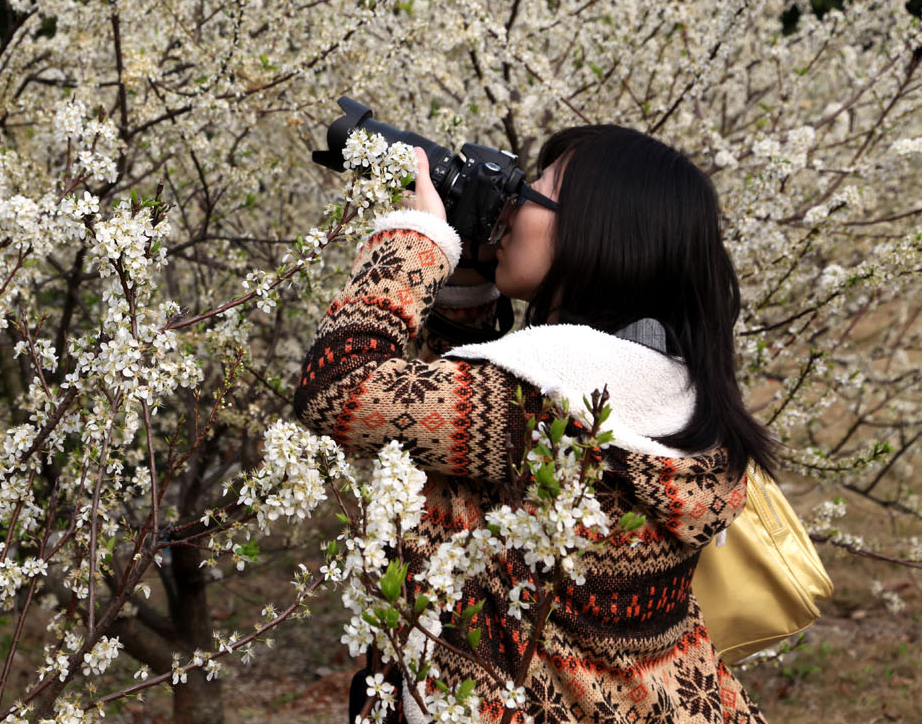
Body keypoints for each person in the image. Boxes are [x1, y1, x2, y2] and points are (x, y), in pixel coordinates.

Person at [293, 124, 774, 724]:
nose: (512, 208)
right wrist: (466, 290)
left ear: (597, 232)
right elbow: (469, 452)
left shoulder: (540, 407)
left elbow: (337, 390)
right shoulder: (663, 389)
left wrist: (412, 244)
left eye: (534, 190)